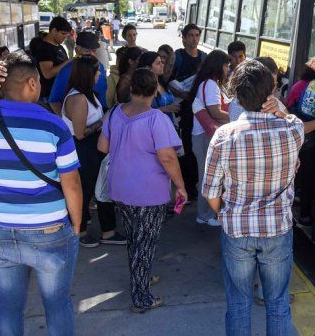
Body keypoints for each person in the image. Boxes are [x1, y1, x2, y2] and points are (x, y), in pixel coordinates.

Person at [0, 52, 83, 336]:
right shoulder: (54, 124)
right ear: (31, 83)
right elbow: (72, 183)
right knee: (56, 303)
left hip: (1, 227)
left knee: (7, 301)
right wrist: (76, 223)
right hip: (50, 227)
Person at [202, 60, 304, 336]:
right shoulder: (292, 131)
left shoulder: (224, 136)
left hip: (237, 231)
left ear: (235, 95)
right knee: (278, 304)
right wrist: (281, 110)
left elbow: (210, 192)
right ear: (271, 89)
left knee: (238, 305)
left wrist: (226, 214)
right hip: (277, 230)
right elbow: (295, 121)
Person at [97, 67, 187, 313]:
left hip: (120, 187)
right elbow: (168, 157)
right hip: (148, 191)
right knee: (145, 242)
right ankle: (141, 298)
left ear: (132, 87)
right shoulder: (156, 118)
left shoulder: (115, 112)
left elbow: (102, 146)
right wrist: (180, 186)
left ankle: (142, 276)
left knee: (134, 240)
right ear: (154, 89)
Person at [61, 55, 124, 248]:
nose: (100, 75)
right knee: (86, 190)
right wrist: (103, 121)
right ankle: (80, 232)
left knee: (101, 189)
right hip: (83, 149)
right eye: (97, 72)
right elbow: (80, 134)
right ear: (88, 74)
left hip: (94, 149)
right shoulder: (78, 98)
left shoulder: (88, 94)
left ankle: (106, 230)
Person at [285, 53, 315, 226]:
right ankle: (305, 214)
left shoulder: (299, 85)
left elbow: (288, 107)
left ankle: (291, 207)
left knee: (294, 173)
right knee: (310, 176)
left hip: (298, 137)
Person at [190, 50, 231, 226]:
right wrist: (238, 117)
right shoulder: (210, 85)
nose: (228, 69)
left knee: (208, 176)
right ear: (218, 66)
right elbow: (215, 112)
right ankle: (205, 214)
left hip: (206, 138)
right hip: (205, 138)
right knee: (208, 177)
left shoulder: (210, 84)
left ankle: (206, 213)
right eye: (226, 66)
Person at [171, 24, 207, 203]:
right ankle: (187, 186)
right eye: (191, 35)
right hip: (182, 110)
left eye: (197, 35)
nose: (194, 38)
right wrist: (183, 94)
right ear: (184, 38)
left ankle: (195, 183)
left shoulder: (204, 58)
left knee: (196, 147)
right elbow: (168, 81)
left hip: (199, 111)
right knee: (185, 147)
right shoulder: (177, 57)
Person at [49, 31, 108, 114]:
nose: (91, 55)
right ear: (77, 50)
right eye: (87, 51)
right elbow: (54, 102)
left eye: (94, 51)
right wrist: (67, 123)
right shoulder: (67, 70)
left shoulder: (99, 66)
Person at [31, 16, 71, 103]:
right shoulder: (44, 48)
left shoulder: (59, 46)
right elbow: (47, 74)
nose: (65, 37)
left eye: (66, 35)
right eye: (63, 33)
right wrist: (67, 62)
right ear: (54, 31)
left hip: (58, 93)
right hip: (48, 96)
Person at [138, 51, 180, 122]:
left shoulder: (162, 82)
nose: (162, 65)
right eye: (158, 63)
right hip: (154, 126)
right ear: (148, 67)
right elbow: (140, 111)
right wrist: (165, 109)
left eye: (161, 62)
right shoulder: (143, 86)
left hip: (169, 124)